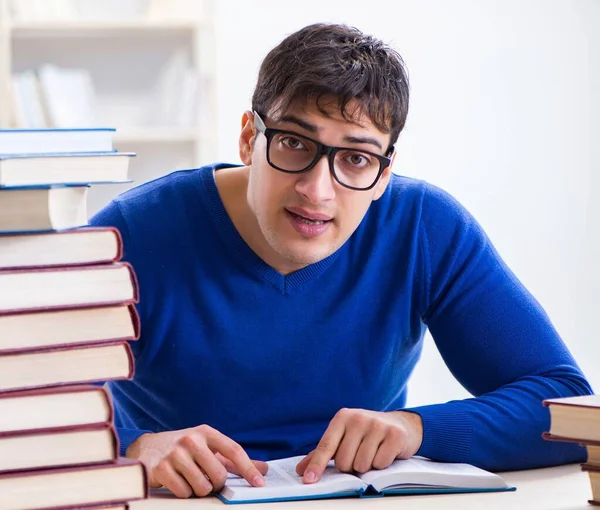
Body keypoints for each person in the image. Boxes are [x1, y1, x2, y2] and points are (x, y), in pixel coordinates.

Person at [91, 22, 593, 499]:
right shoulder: (131, 233)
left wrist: (414, 428)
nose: (316, 191)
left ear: (384, 174)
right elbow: (19, 404)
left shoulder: (425, 226)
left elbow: (566, 407)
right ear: (249, 138)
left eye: (356, 158)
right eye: (293, 143)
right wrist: (129, 448)